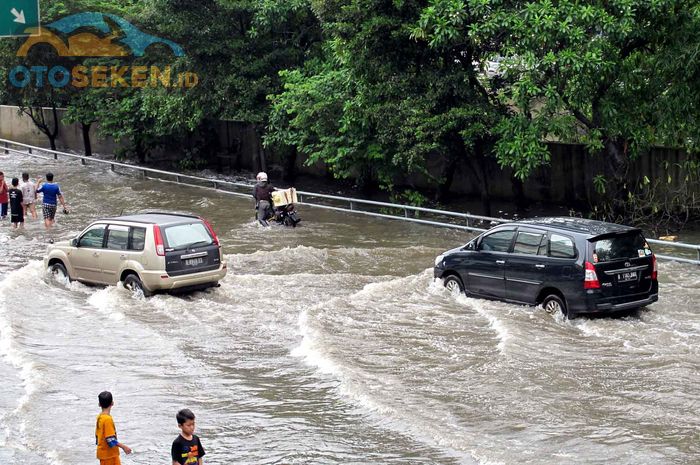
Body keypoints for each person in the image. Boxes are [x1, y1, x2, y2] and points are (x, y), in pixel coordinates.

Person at [95, 391, 132, 465]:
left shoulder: (100, 417)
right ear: (112, 403)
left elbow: (97, 436)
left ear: (99, 404)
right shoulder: (107, 419)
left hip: (103, 453)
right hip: (109, 455)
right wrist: (124, 447)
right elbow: (110, 439)